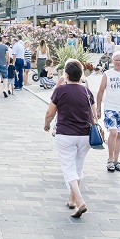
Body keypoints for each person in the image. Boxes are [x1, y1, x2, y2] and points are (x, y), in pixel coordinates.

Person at [44, 60, 96, 218]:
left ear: (66, 75)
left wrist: (47, 124)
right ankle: (72, 200)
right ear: (81, 76)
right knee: (78, 168)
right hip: (85, 135)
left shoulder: (60, 90)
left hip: (65, 134)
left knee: (68, 169)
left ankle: (80, 202)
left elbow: (50, 113)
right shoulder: (87, 92)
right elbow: (94, 116)